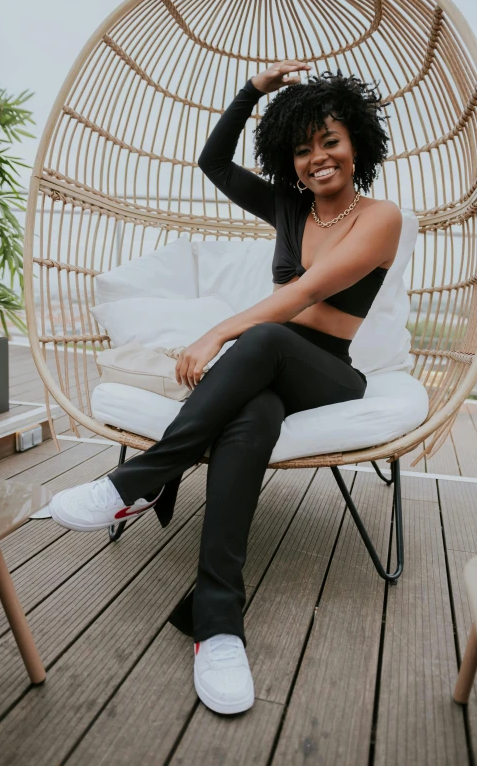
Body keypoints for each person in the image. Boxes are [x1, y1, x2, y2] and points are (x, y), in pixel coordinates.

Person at [49, 61, 402, 716]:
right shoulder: (289, 207)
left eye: (329, 141)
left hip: (328, 371)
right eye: (301, 149)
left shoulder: (380, 216)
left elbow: (306, 291)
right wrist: (253, 92)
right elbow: (213, 161)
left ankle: (142, 479)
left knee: (260, 339)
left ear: (356, 143)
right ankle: (216, 621)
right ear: (289, 162)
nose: (317, 158)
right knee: (254, 414)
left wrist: (215, 336)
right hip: (270, 373)